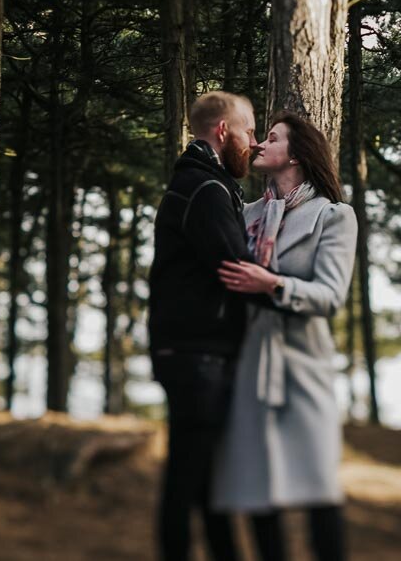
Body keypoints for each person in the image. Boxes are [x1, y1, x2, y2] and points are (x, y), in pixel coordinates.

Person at [213, 111, 358, 561]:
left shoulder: (335, 217)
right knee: (259, 488)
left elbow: (331, 297)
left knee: (319, 489)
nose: (259, 144)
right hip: (251, 364)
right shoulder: (245, 214)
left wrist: (272, 284)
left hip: (303, 365)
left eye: (271, 138)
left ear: (295, 153)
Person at [147, 90, 260, 561]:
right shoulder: (207, 189)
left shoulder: (202, 183)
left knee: (208, 482)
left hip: (195, 352)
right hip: (198, 355)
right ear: (223, 131)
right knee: (188, 478)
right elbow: (237, 269)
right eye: (250, 131)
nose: (253, 143)